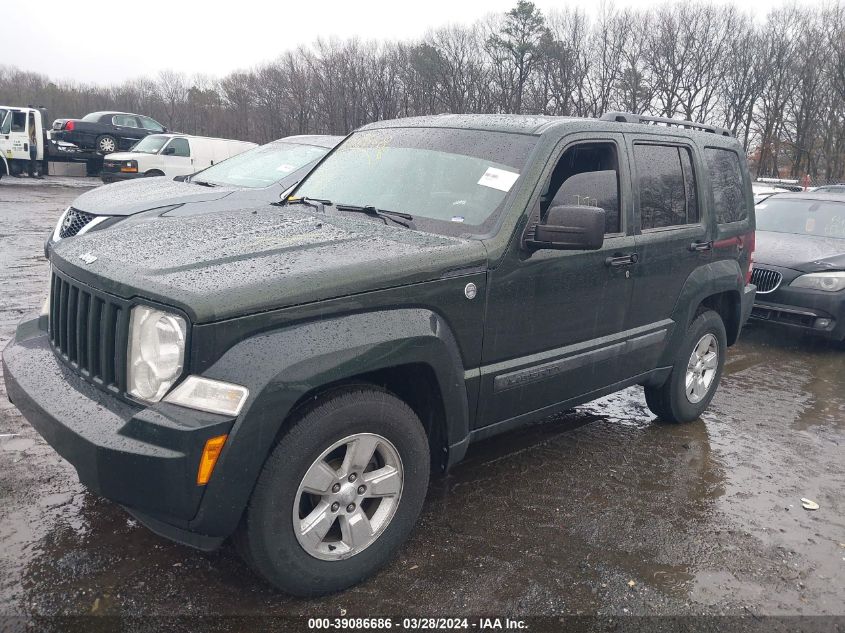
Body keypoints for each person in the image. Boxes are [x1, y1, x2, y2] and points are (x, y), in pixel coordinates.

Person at [27, 112, 42, 179]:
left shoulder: (32, 127)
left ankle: (34, 172)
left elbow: (30, 135)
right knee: (32, 160)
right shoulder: (32, 126)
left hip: (32, 145)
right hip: (31, 145)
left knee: (32, 160)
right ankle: (33, 172)